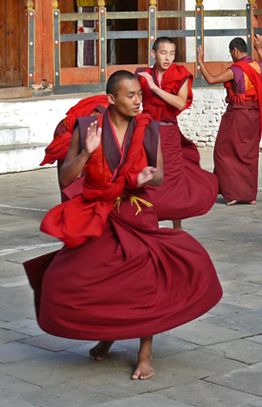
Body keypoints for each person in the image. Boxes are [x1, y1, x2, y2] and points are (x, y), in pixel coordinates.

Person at [23, 71, 222, 380]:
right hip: (98, 210)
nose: (138, 101)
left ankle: (145, 354)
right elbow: (66, 177)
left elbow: (159, 175)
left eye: (140, 94)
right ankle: (108, 334)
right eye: (131, 95)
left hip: (135, 208)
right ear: (112, 99)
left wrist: (146, 176)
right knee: (77, 276)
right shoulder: (87, 128)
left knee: (145, 278)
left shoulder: (149, 128)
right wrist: (87, 152)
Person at [136, 37, 218, 229]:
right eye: (163, 53)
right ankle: (148, 221)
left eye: (172, 53)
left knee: (173, 179)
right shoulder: (142, 75)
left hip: (169, 131)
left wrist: (154, 88)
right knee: (148, 176)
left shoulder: (180, 74)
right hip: (147, 132)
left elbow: (180, 103)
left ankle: (177, 226)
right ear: (153, 54)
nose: (168, 58)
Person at [197, 36, 262, 205]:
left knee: (224, 151)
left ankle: (235, 192)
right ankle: (249, 195)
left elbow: (211, 79)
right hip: (253, 115)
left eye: (231, 53)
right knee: (247, 153)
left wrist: (201, 62)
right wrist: (259, 49)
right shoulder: (256, 66)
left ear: (235, 50)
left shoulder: (236, 69)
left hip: (238, 115)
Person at [40, 94, 108, 201]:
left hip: (80, 133)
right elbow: (88, 129)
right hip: (69, 132)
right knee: (72, 175)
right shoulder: (103, 109)